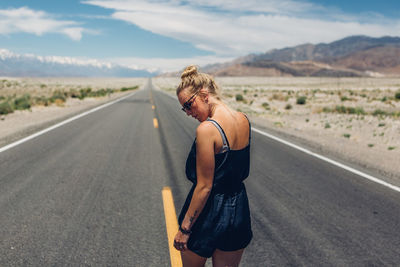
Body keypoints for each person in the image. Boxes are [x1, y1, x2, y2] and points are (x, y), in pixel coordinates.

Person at [174, 65, 253, 267]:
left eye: (189, 105)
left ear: (204, 94)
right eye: (184, 108)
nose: (188, 112)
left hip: (208, 212)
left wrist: (184, 230)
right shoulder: (243, 119)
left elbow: (204, 187)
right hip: (238, 210)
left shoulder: (207, 130)